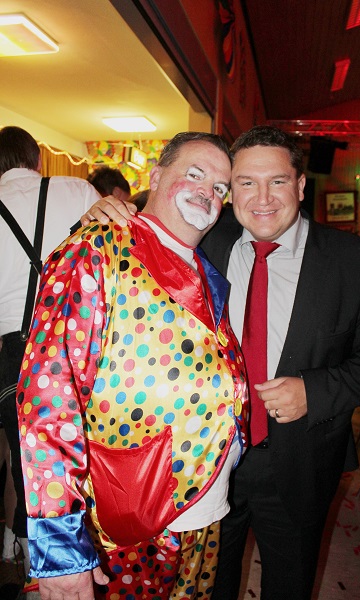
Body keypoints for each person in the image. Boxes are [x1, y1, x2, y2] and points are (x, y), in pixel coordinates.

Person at [84, 125, 360, 600]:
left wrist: (315, 390)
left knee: (289, 584)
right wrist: (102, 213)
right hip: (206, 464)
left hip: (299, 459)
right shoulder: (204, 237)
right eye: (246, 183)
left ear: (300, 185)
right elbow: (148, 226)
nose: (262, 198)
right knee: (211, 583)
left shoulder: (356, 261)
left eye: (277, 181)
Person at [17, 132, 248, 600]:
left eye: (220, 187)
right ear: (156, 176)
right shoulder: (97, 248)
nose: (207, 191)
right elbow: (48, 394)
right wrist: (60, 547)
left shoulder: (205, 267)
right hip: (130, 519)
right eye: (195, 174)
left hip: (204, 507)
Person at [0, 125, 101, 594]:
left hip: (13, 354)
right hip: (77, 346)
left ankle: (35, 570)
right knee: (87, 464)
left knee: (30, 472)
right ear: (37, 158)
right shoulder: (77, 191)